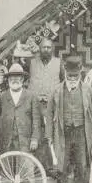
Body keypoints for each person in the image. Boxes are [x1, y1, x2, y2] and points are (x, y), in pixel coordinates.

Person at [45, 55, 92, 183]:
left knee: (81, 165)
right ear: (65, 73)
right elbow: (49, 114)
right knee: (61, 165)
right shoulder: (56, 91)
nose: (73, 78)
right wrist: (49, 135)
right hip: (63, 133)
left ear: (81, 72)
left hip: (82, 132)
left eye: (76, 75)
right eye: (70, 75)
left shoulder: (88, 90)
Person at [28, 38, 65, 175]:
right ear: (39, 48)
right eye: (44, 47)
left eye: (49, 47)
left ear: (52, 49)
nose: (46, 50)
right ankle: (36, 167)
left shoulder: (58, 63)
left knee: (51, 134)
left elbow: (63, 81)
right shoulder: (31, 63)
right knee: (36, 133)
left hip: (51, 104)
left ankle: (51, 167)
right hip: (35, 104)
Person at [0, 63, 41, 154]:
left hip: (25, 143)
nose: (14, 80)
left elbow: (36, 121)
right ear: (7, 80)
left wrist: (34, 139)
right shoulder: (0, 98)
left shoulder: (31, 97)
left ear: (22, 79)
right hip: (5, 142)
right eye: (12, 77)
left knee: (25, 167)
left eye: (18, 77)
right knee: (5, 168)